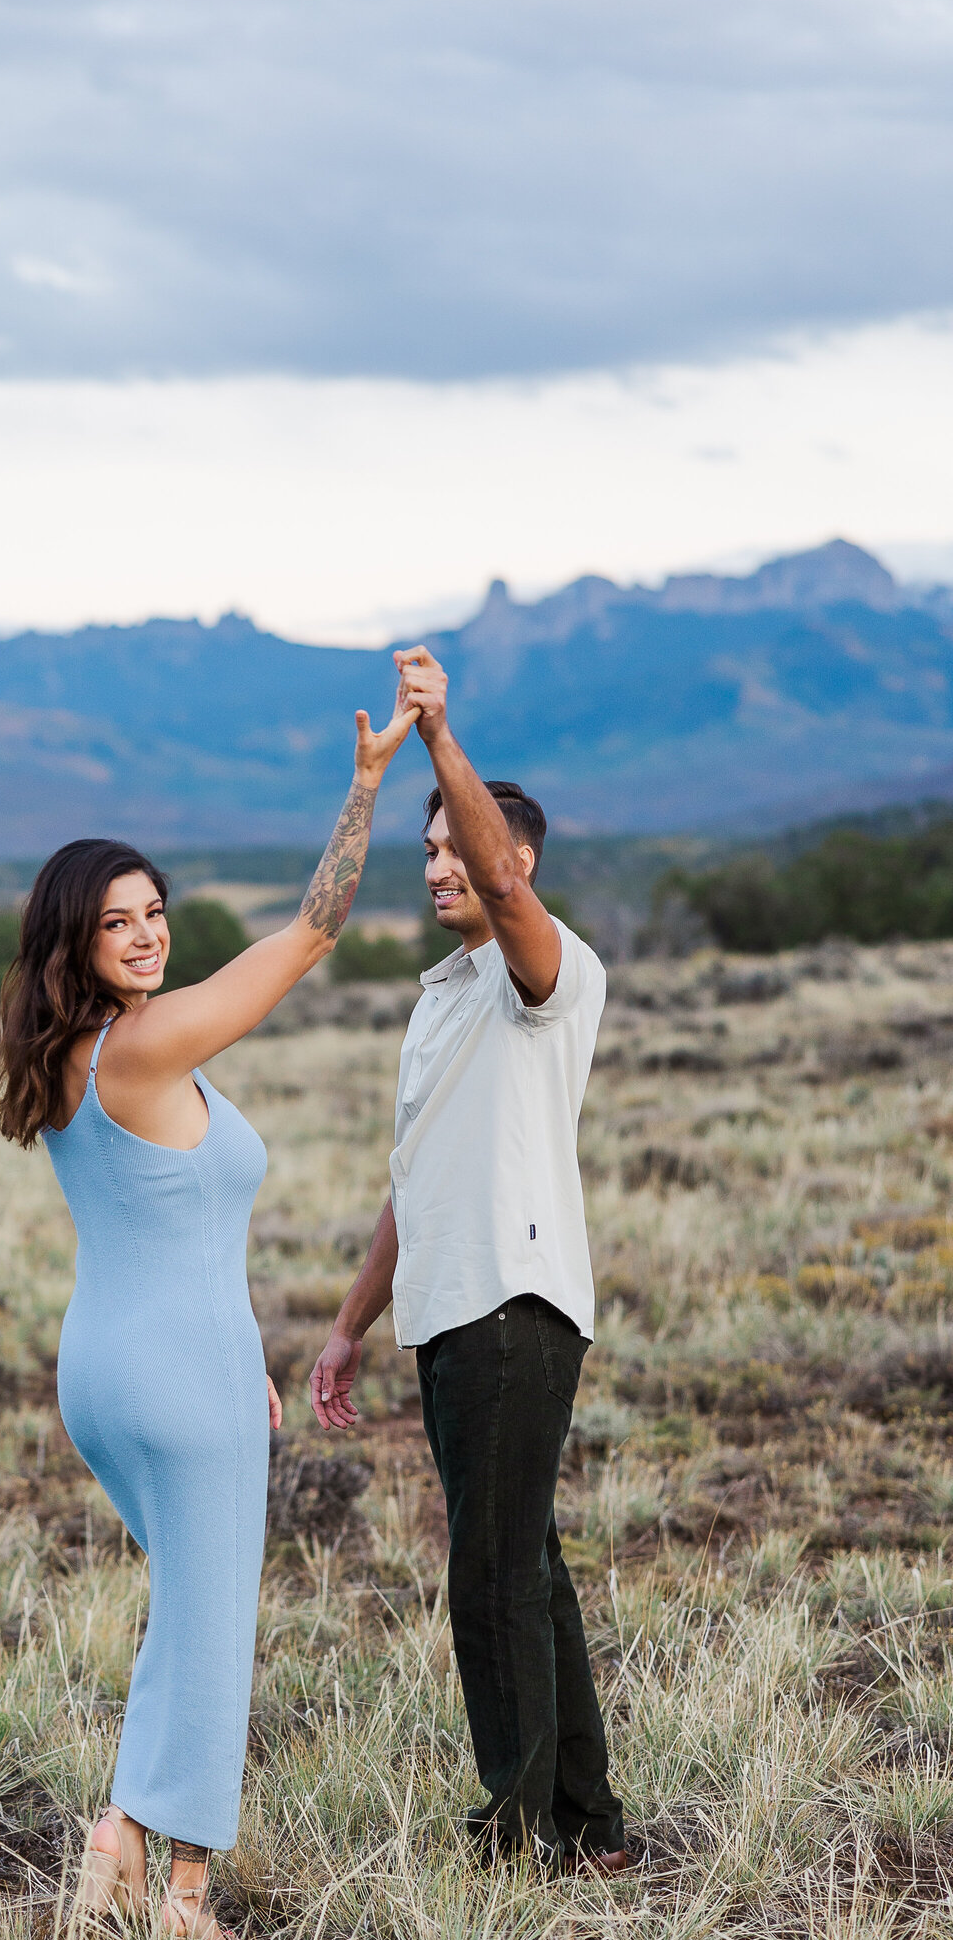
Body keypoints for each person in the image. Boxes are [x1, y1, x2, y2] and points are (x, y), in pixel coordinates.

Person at [0, 681, 419, 1940]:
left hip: (129, 1369)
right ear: (74, 938)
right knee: (213, 1623)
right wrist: (368, 783)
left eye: (155, 912)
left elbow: (174, 1229)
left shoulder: (84, 1048)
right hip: (174, 1378)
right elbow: (318, 924)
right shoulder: (143, 1047)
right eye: (116, 921)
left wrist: (246, 1367)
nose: (145, 935)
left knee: (187, 1605)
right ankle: (181, 1903)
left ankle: (119, 1846)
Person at [308, 644, 627, 1874]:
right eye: (427, 849)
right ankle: (589, 1824)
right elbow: (412, 1177)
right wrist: (347, 1324)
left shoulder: (546, 972)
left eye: (457, 847)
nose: (441, 864)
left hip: (515, 1303)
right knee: (525, 1567)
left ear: (514, 861)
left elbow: (498, 872)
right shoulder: (442, 995)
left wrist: (440, 736)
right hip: (444, 1310)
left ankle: (518, 1832)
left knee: (488, 1580)